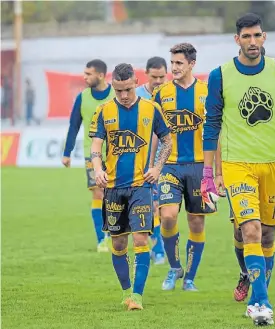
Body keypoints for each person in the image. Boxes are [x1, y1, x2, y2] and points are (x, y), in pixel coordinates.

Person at [201, 13, 275, 326]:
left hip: (273, 164)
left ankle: (251, 279)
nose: (253, 42)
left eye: (257, 36)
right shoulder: (220, 75)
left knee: (266, 235)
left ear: (264, 38)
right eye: (246, 37)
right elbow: (211, 125)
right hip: (237, 165)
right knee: (249, 228)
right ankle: (260, 302)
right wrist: (209, 174)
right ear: (237, 40)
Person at [89, 63, 172, 310]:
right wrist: (98, 169)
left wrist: (156, 168)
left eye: (127, 89)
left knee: (140, 240)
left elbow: (167, 141)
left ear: (136, 82)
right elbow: (96, 146)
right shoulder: (103, 111)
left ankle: (137, 296)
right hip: (113, 188)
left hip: (140, 187)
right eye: (118, 91)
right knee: (118, 244)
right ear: (113, 86)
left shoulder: (151, 109)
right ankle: (126, 291)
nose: (123, 96)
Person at [151, 43, 214, 292]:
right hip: (170, 166)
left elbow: (214, 134)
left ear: (191, 64)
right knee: (167, 216)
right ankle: (175, 266)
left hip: (199, 166)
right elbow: (154, 135)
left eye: (179, 63)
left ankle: (189, 278)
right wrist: (152, 166)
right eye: (172, 63)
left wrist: (216, 173)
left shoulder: (207, 93)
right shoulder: (161, 93)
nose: (173, 68)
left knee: (196, 222)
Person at [219, 126, 275, 303]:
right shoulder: (232, 107)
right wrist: (217, 172)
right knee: (242, 232)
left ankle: (258, 300)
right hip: (240, 169)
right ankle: (245, 273)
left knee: (267, 236)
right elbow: (220, 133)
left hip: (271, 169)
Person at [62, 59, 116, 252]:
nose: (84, 77)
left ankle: (116, 232)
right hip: (92, 155)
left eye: (88, 74)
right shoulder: (82, 97)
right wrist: (66, 152)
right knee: (98, 193)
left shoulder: (115, 94)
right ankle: (102, 239)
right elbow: (74, 125)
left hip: (117, 154)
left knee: (117, 195)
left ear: (100, 75)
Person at [136, 56, 168, 265]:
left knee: (158, 206)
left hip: (163, 160)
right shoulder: (136, 95)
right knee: (142, 206)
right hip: (138, 160)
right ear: (146, 74)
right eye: (154, 76)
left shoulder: (170, 94)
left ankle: (158, 250)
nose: (158, 81)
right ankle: (147, 246)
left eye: (162, 77)